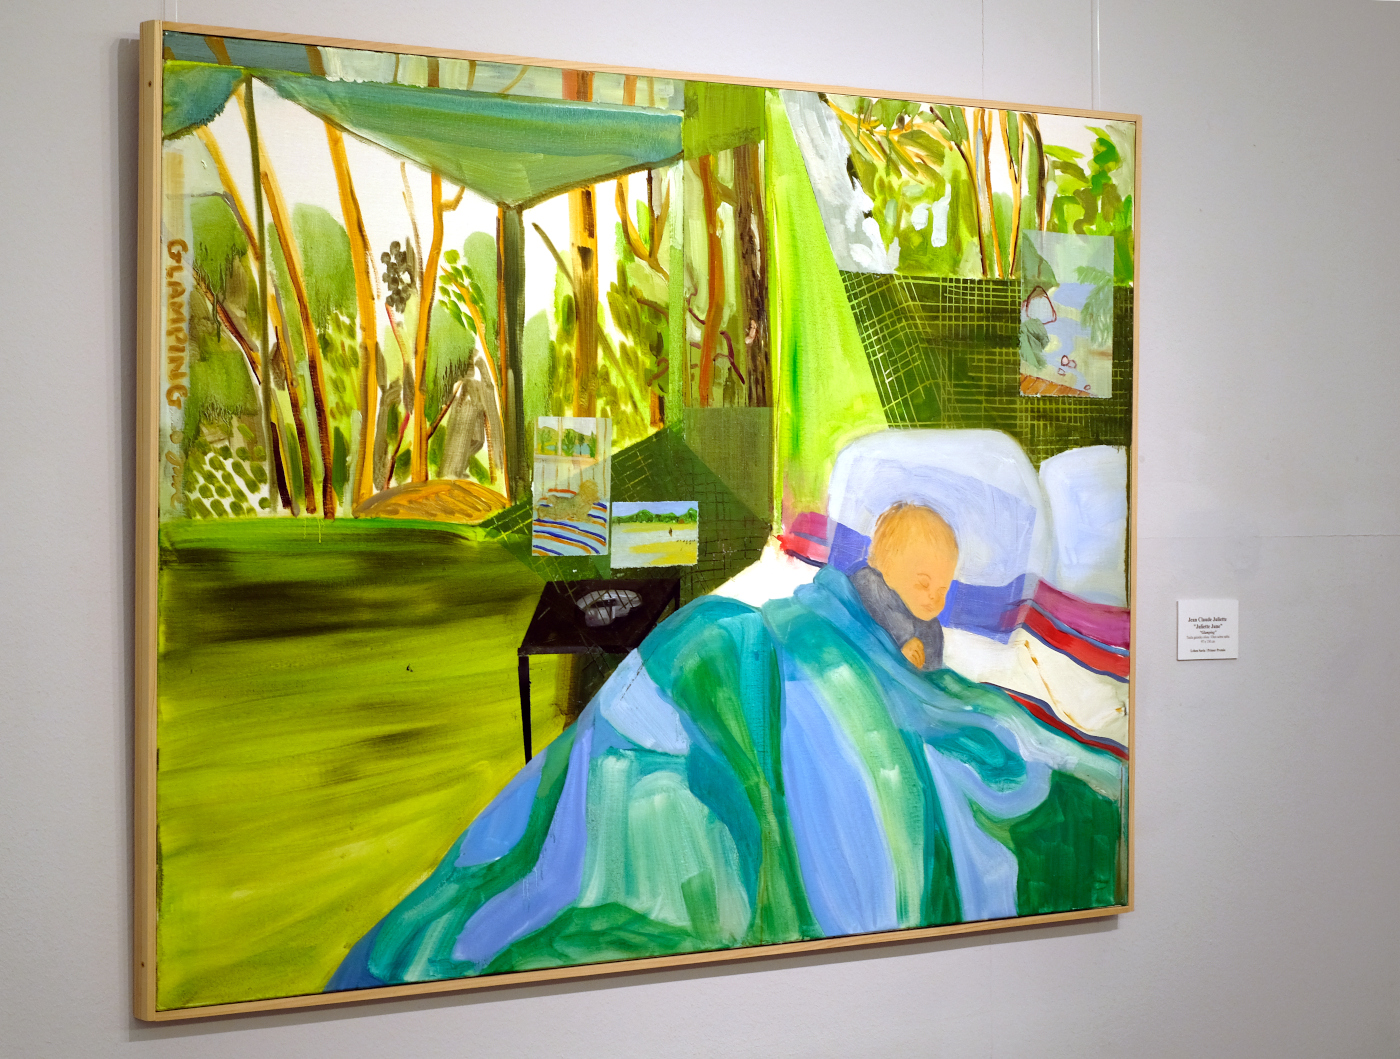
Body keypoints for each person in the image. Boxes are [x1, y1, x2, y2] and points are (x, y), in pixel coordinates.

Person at [327, 502, 1125, 991]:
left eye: (945, 586)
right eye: (925, 582)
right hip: (774, 645)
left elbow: (922, 683)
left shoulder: (925, 626)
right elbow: (855, 637)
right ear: (879, 563)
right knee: (704, 665)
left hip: (835, 664)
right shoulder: (857, 597)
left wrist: (917, 661)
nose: (937, 598)